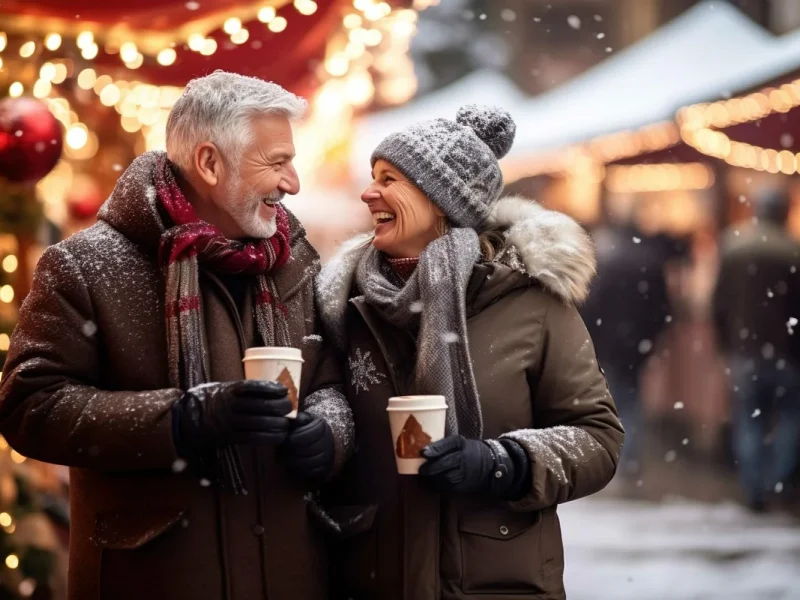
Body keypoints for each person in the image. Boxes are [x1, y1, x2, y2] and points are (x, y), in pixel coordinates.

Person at [0, 71, 352, 600]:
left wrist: (329, 433)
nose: (292, 183)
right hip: (157, 578)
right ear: (210, 163)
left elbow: (331, 380)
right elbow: (31, 406)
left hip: (291, 574)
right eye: (276, 163)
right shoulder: (84, 265)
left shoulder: (292, 259)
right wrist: (183, 419)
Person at [316, 105, 623, 599]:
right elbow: (323, 392)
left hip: (493, 580)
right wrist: (324, 429)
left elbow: (598, 438)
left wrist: (504, 462)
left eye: (389, 179)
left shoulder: (530, 303)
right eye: (372, 177)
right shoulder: (343, 303)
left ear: (441, 201)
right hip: (374, 575)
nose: (368, 192)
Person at [580, 201, 685, 478]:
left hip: (609, 343)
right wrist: (652, 338)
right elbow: (663, 309)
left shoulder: (608, 259)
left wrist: (593, 338)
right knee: (633, 399)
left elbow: (592, 306)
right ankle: (629, 459)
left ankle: (610, 456)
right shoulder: (651, 262)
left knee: (609, 398)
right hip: (637, 344)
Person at [712, 188, 800, 512]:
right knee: (790, 416)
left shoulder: (734, 246)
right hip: (787, 351)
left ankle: (755, 486)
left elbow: (719, 301)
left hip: (745, 348)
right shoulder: (793, 251)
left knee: (749, 418)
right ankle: (778, 477)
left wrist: (724, 341)